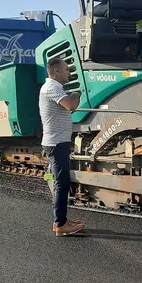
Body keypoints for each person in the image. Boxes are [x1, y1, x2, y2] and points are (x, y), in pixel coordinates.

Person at [39, 57, 85, 235]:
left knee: (63, 183)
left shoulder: (55, 87)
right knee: (62, 184)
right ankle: (60, 225)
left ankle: (62, 220)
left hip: (59, 141)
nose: (69, 72)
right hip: (56, 143)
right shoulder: (52, 87)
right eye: (66, 69)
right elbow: (71, 105)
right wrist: (77, 94)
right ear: (56, 71)